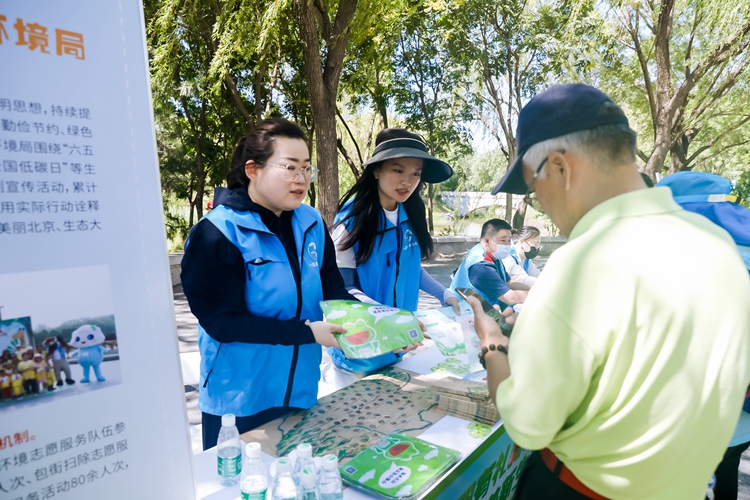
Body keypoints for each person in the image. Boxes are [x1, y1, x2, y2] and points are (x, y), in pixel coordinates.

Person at [468, 83, 750, 499]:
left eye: (532, 186)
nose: (539, 204)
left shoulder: (583, 266)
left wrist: (493, 347)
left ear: (561, 168)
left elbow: (528, 424)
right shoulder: (718, 247)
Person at [181, 118, 354, 450]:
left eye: (306, 169)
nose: (301, 179)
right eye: (290, 168)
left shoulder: (312, 222)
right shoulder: (217, 233)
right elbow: (221, 323)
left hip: (300, 389)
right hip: (239, 399)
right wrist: (306, 333)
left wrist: (384, 327)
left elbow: (333, 290)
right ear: (253, 170)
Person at [329, 128, 460, 376]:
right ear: (376, 170)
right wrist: (393, 320)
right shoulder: (350, 221)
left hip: (400, 346)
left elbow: (411, 268)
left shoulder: (410, 215)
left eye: (416, 174)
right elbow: (343, 288)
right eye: (398, 170)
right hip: (359, 353)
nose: (407, 181)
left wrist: (445, 294)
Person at [449, 218, 528, 310]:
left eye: (509, 240)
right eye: (503, 240)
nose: (507, 245)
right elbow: (511, 298)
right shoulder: (481, 266)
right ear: (487, 241)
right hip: (467, 315)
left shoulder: (491, 254)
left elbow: (508, 282)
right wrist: (540, 295)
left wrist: (533, 288)